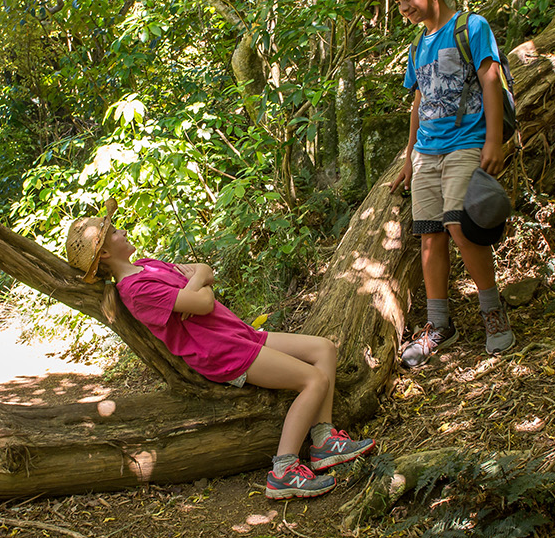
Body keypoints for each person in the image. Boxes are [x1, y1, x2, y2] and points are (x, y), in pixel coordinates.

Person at [64, 202, 374, 499]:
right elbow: (204, 301)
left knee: (324, 349)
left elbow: (205, 272)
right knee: (313, 380)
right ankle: (284, 470)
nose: (122, 232)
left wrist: (197, 281)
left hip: (237, 333)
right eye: (114, 232)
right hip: (220, 350)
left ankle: (323, 441)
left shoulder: (147, 266)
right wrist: (197, 289)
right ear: (103, 252)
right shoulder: (136, 289)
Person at [386, 0, 516, 368]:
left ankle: (493, 313)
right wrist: (408, 159)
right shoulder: (416, 46)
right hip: (427, 152)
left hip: (466, 142)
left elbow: (490, 77)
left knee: (463, 228)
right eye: (399, 2)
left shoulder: (471, 27)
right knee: (430, 235)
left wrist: (493, 139)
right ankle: (439, 324)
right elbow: (418, 102)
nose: (404, 7)